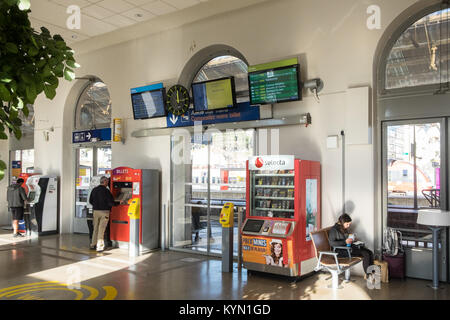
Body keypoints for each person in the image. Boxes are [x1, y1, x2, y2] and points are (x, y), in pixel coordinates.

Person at [89, 176, 121, 252]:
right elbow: (111, 203)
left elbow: (90, 201)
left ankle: (93, 244)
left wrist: (96, 206)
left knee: (95, 228)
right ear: (105, 182)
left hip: (96, 212)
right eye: (107, 182)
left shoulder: (94, 190)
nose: (108, 183)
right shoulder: (106, 191)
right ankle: (99, 247)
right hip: (104, 212)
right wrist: (119, 203)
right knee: (101, 229)